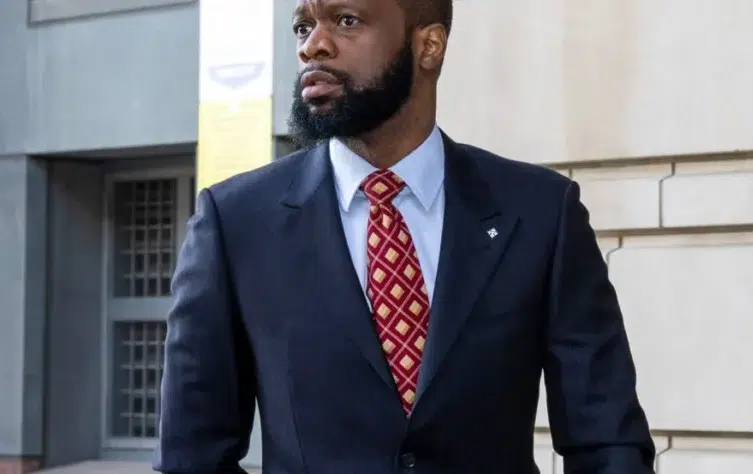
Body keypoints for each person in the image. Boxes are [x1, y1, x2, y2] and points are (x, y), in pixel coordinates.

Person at [153, 0, 655, 472]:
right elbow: (192, 455)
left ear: (428, 46)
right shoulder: (235, 222)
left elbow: (607, 439)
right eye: (303, 26)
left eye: (346, 20)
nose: (313, 46)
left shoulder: (541, 212)